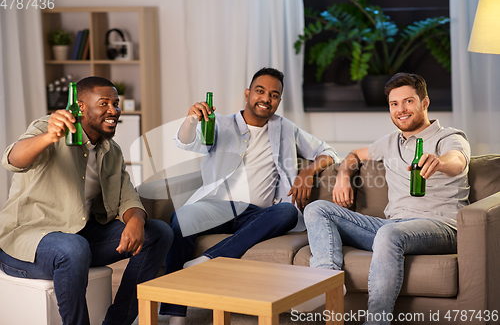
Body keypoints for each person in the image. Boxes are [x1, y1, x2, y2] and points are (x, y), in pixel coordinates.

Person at [160, 67, 339, 324]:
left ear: (279, 101)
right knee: (181, 220)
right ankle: (174, 313)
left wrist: (308, 171)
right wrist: (190, 120)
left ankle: (210, 259)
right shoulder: (218, 123)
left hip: (257, 213)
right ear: (247, 93)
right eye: (260, 91)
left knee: (288, 211)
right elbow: (186, 143)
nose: (266, 98)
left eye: (274, 94)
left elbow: (329, 151)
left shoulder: (286, 128)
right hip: (216, 206)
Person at [0, 76, 173, 325]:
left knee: (159, 232)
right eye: (104, 103)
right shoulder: (49, 128)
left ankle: (117, 322)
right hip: (27, 241)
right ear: (80, 106)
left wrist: (136, 219)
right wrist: (48, 137)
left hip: (78, 236)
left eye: (115, 103)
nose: (113, 110)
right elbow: (12, 159)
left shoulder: (111, 150)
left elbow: (127, 195)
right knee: (74, 248)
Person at [304, 73, 470, 325]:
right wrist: (343, 176)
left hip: (441, 226)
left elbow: (457, 161)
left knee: (389, 234)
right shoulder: (390, 141)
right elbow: (353, 155)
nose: (401, 110)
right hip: (393, 227)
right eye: (394, 104)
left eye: (408, 102)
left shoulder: (449, 137)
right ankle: (329, 288)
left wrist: (439, 162)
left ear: (425, 102)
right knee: (317, 209)